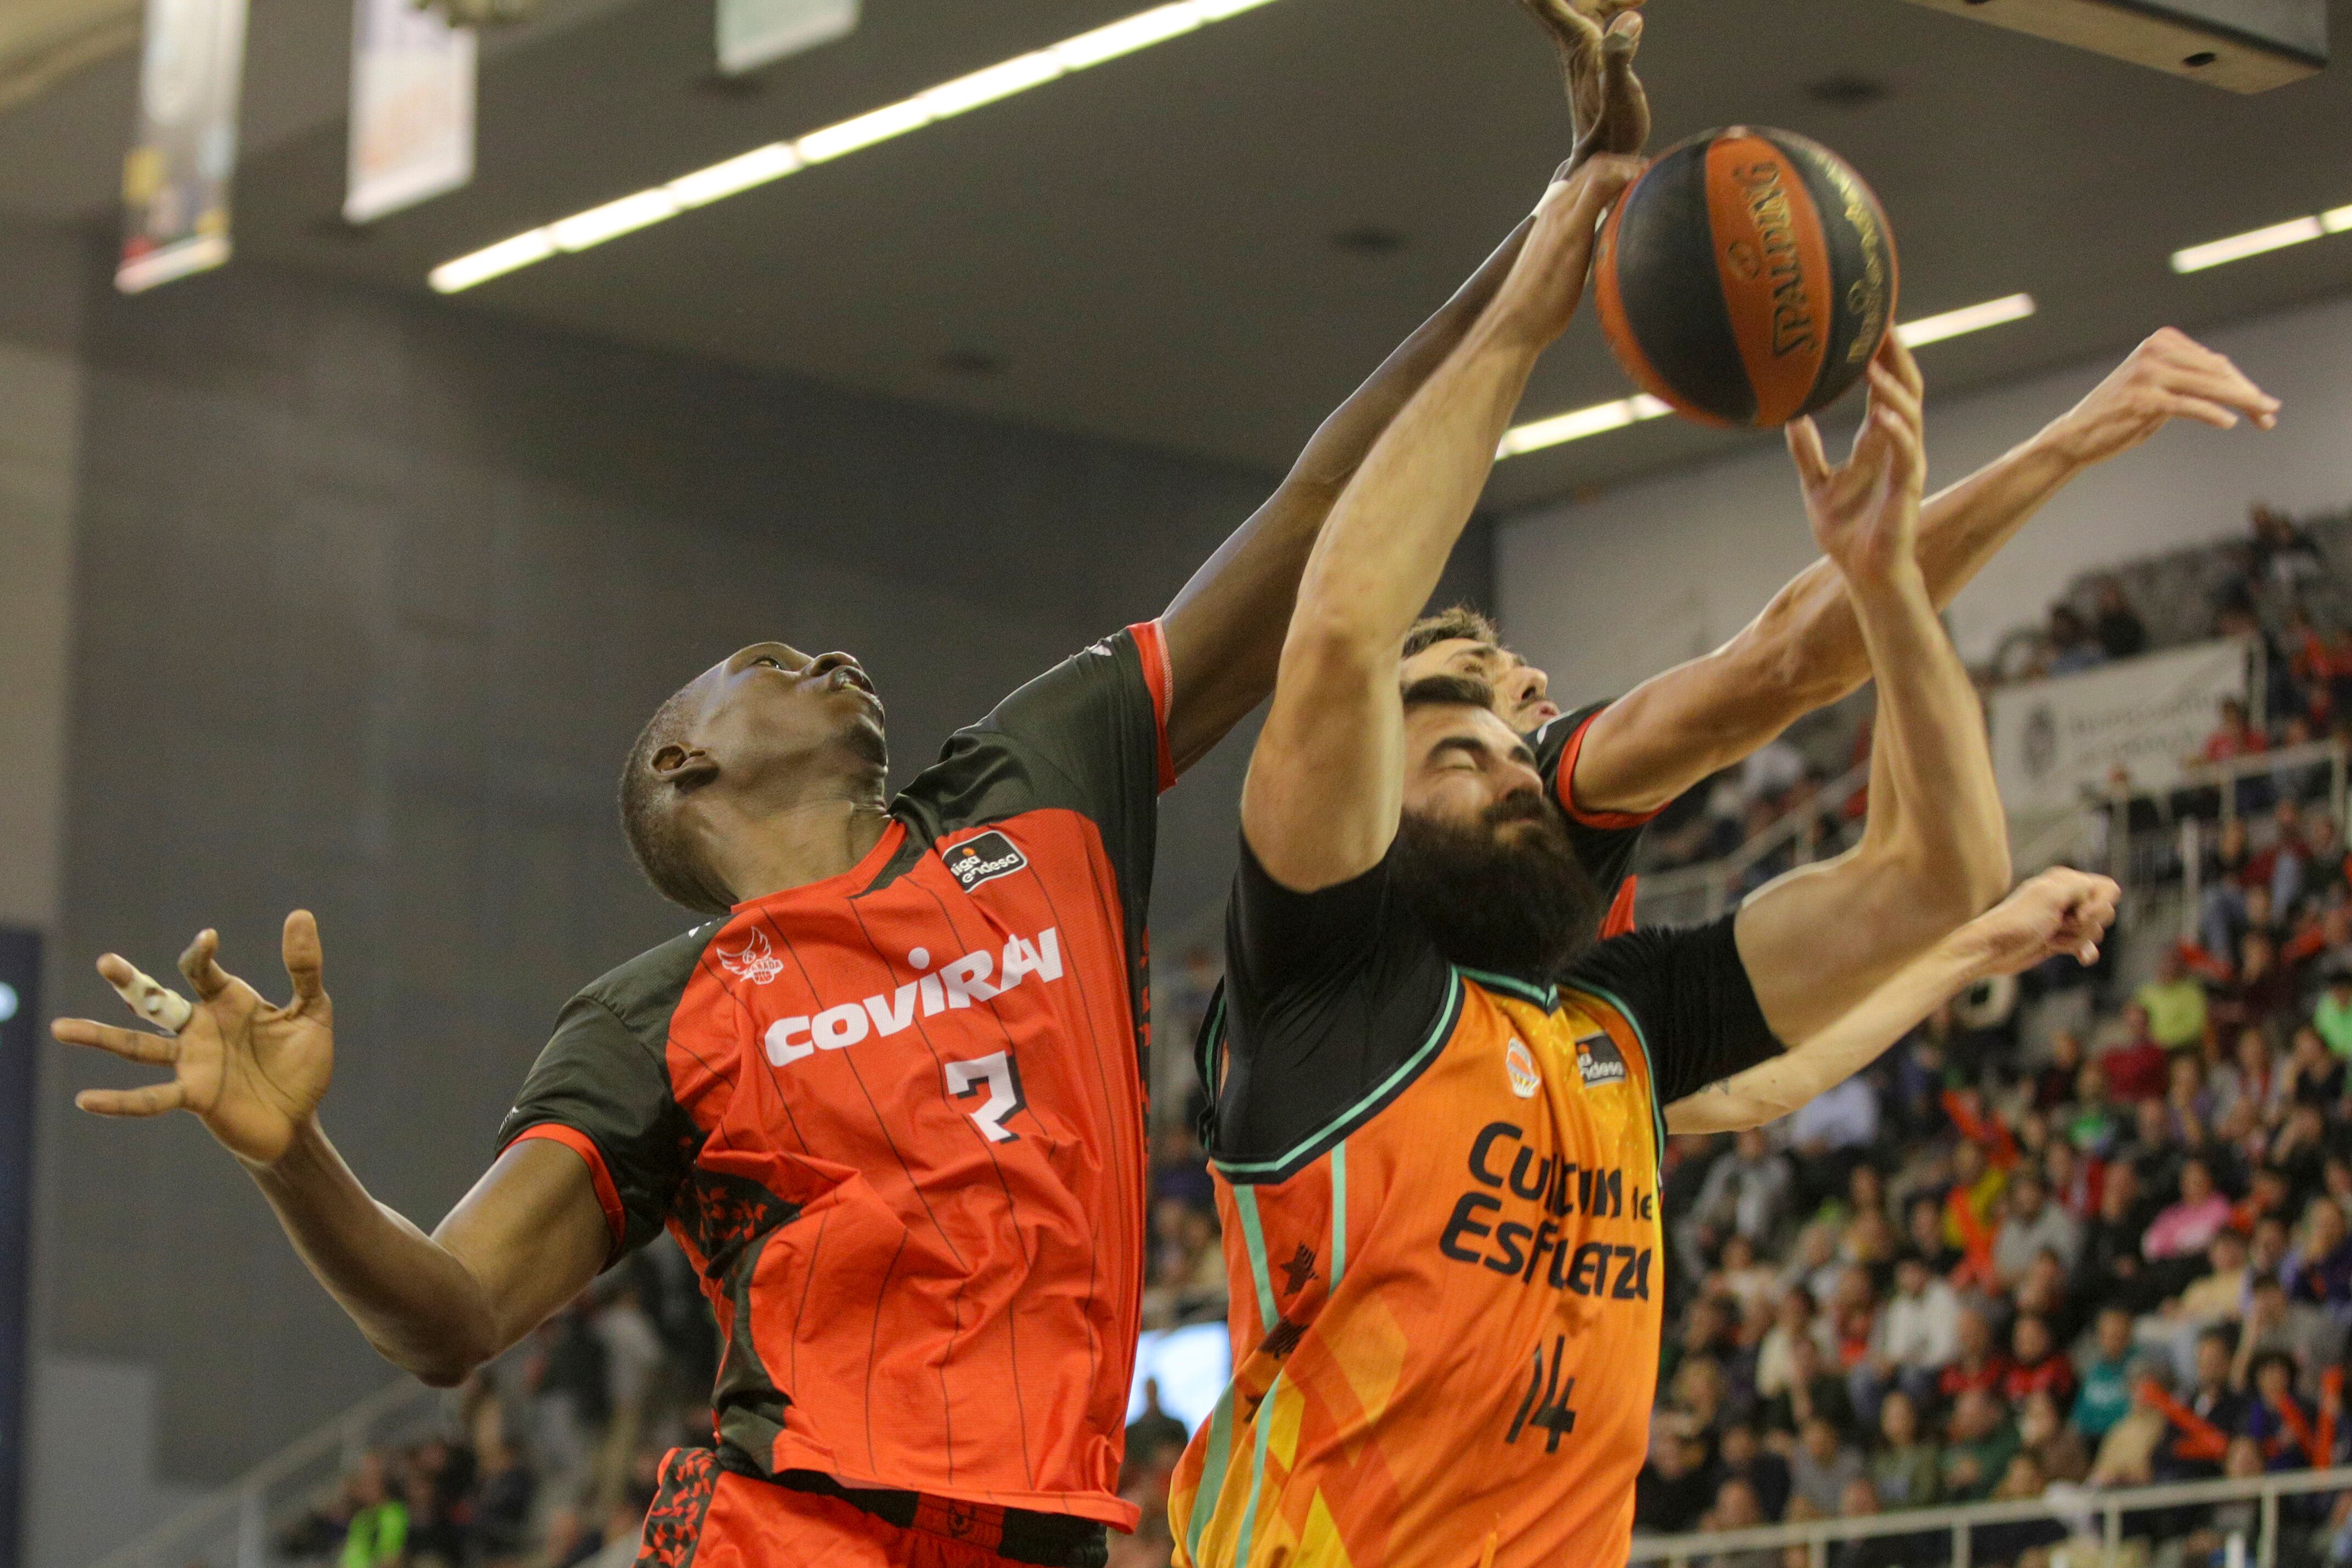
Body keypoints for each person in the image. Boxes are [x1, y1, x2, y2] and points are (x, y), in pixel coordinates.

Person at [55, 9, 1684, 1562]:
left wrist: (1554, 239)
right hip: (793, 1533)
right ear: (684, 759)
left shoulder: (1033, 785)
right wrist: (294, 1160)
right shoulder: (658, 1017)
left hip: (1050, 1534)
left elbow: (1323, 501)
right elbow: (453, 1314)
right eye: (765, 656)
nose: (824, 658)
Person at [1162, 140, 2113, 1557]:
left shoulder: (1619, 1023)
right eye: (1464, 749)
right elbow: (1348, 624)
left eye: (1515, 734)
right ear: (1376, 799)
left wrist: (1894, 589)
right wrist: (1538, 299)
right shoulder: (1326, 1008)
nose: (1518, 758)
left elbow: (1930, 879)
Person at [1399, 324, 2276, 964]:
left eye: (1509, 660)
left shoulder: (1589, 987)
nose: (1530, 679)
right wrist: (2060, 448)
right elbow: (1785, 660)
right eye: (1469, 682)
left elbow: (1732, 1092)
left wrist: (1973, 952)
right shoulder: (1539, 781)